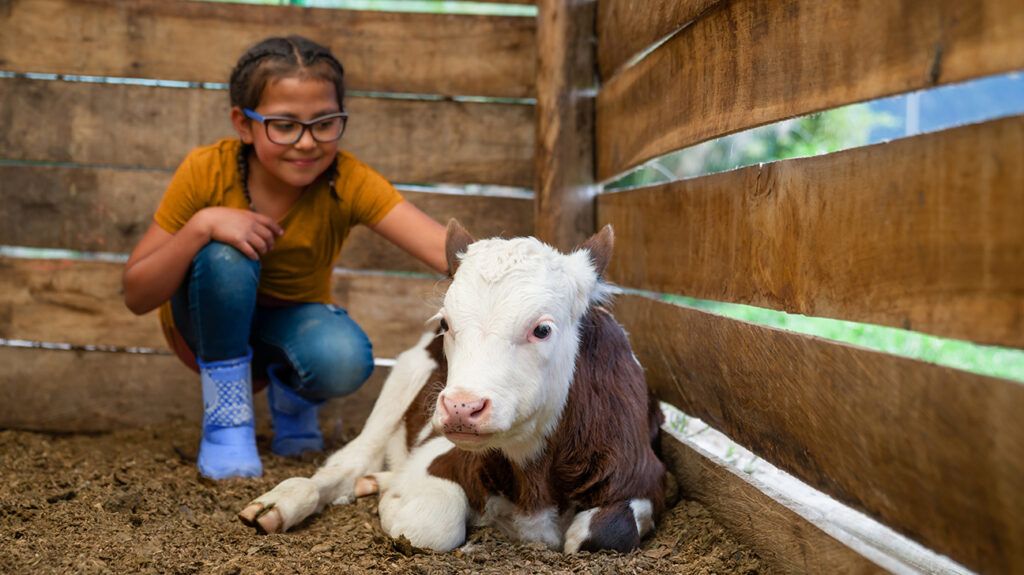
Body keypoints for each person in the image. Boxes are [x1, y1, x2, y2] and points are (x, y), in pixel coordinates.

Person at [122, 35, 447, 480]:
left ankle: (293, 399)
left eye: (324, 122)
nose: (307, 142)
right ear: (243, 123)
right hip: (203, 324)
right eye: (285, 124)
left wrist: (525, 269)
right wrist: (203, 225)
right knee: (223, 256)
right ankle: (228, 423)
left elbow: (443, 250)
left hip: (291, 329)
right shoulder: (207, 170)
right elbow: (137, 293)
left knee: (345, 356)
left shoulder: (345, 180)